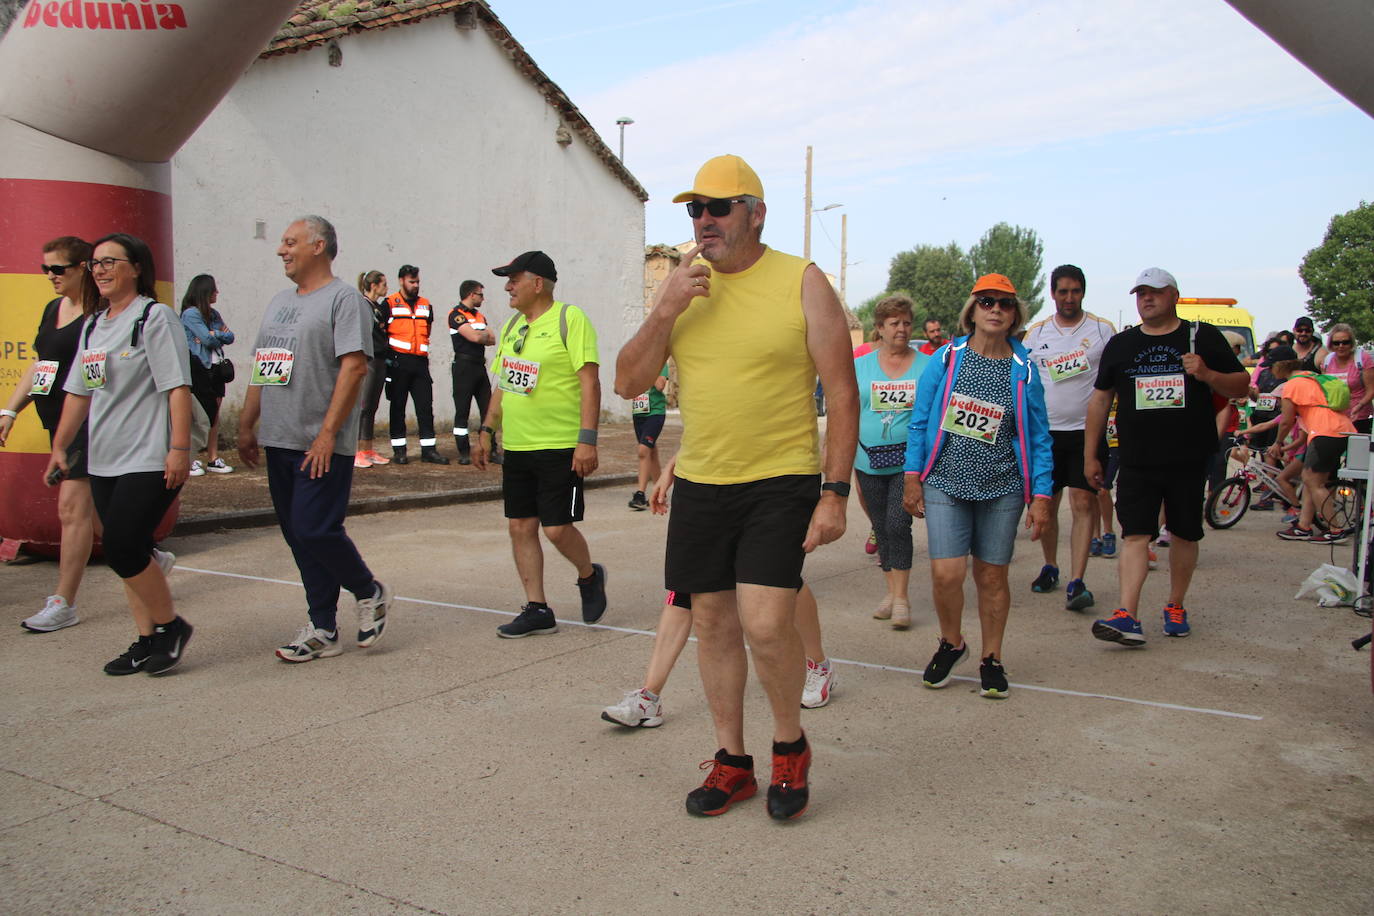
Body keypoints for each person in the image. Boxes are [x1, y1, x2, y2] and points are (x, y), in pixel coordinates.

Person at [615, 154, 858, 821]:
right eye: (695, 208)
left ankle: (789, 747)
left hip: (780, 480)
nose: (704, 220)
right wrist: (664, 309)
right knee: (714, 622)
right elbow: (629, 382)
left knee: (766, 623)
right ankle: (732, 763)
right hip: (702, 481)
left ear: (755, 212)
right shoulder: (684, 292)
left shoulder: (801, 282)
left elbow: (841, 391)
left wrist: (834, 490)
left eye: (719, 207)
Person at [237, 216, 395, 663]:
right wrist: (248, 425)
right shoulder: (278, 302)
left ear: (318, 246)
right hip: (280, 438)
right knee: (297, 535)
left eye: (290, 242)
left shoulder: (344, 299)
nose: (281, 250)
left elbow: (355, 368)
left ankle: (370, 590)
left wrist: (327, 434)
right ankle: (323, 627)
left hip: (319, 442)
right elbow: (263, 366)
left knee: (315, 528)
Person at [45, 233, 194, 675]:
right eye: (95, 263)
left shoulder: (154, 317)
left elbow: (177, 387)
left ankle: (171, 628)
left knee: (123, 546)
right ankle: (148, 641)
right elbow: (78, 392)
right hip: (103, 458)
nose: (101, 270)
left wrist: (180, 449)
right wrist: (59, 449)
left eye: (111, 261)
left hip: (149, 456)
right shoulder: (94, 325)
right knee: (132, 554)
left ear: (136, 268)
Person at [902, 274, 1052, 699]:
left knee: (991, 577)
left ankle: (992, 658)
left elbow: (1039, 438)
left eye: (1005, 304)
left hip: (1002, 486)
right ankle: (952, 643)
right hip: (945, 481)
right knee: (946, 574)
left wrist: (1040, 496)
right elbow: (919, 419)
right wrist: (912, 476)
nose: (995, 310)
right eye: (987, 301)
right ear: (972, 310)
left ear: (1014, 314)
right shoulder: (947, 359)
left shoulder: (1024, 370)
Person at [602, 457, 838, 725]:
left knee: (782, 583)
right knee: (685, 590)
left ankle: (818, 665)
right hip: (709, 483)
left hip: (771, 479)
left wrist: (834, 493)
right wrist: (674, 464)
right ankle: (648, 698)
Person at [1084, 268, 1248, 645]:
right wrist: (1091, 454)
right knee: (1135, 534)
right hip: (1137, 458)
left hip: (1188, 457)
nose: (1146, 299)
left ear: (1173, 295)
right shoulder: (1122, 345)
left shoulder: (1200, 336)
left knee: (1184, 534)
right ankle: (1127, 614)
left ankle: (1175, 605)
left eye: (1154, 292)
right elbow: (1099, 399)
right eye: (1140, 293)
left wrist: (1206, 373)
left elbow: (1241, 384)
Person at [473, 250, 608, 636]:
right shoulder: (514, 325)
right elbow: (502, 384)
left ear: (537, 283)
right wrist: (486, 431)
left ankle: (588, 575)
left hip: (560, 446)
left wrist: (587, 440)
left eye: (514, 279)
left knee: (556, 528)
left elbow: (589, 382)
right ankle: (537, 608)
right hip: (517, 447)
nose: (507, 286)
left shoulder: (570, 319)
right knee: (520, 527)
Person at [1, 237, 104, 632]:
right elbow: (40, 364)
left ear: (82, 267)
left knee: (70, 510)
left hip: (89, 424)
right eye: (45, 268)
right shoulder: (52, 309)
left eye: (57, 269)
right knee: (95, 515)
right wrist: (11, 409)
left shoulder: (100, 315)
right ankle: (143, 556)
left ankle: (63, 603)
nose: (50, 276)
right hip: (55, 422)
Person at [1021, 264, 1115, 611]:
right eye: (1063, 291)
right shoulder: (1036, 333)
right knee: (1047, 503)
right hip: (1045, 435)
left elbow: (1114, 379)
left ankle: (1077, 581)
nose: (1069, 298)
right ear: (1053, 293)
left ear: (1083, 293)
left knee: (1083, 502)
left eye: (1075, 291)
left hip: (1086, 434)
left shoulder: (1103, 331)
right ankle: (1050, 566)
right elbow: (1023, 381)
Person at [854, 294, 929, 627]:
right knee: (881, 525)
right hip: (866, 458)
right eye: (894, 323)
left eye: (906, 323)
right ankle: (891, 591)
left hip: (908, 461)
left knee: (899, 523)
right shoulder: (860, 366)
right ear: (880, 328)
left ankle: (901, 599)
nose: (902, 329)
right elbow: (849, 409)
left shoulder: (927, 366)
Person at [1270, 355, 1357, 543]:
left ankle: (1335, 530)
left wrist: (1278, 442)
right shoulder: (1313, 377)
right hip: (1341, 429)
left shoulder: (1292, 385)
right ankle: (1304, 525)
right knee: (1311, 481)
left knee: (1313, 481)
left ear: (1279, 366)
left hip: (1325, 432)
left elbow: (1286, 421)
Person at [384, 264, 449, 465]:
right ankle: (399, 451)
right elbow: (380, 333)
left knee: (425, 407)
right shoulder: (389, 303)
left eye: (418, 281)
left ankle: (429, 450)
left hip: (420, 363)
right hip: (397, 362)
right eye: (412, 282)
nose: (416, 285)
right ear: (401, 281)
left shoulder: (425, 305)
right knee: (398, 407)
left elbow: (426, 330)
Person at [180, 274, 235, 476]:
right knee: (193, 414)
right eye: (214, 289)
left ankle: (212, 458)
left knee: (214, 413)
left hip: (217, 368)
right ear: (204, 291)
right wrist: (214, 335)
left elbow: (230, 336)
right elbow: (207, 339)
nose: (217, 293)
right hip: (199, 367)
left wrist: (214, 334)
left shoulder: (213, 314)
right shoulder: (190, 314)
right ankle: (191, 457)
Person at [448, 280, 496, 465]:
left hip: (479, 367)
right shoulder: (456, 314)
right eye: (480, 294)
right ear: (470, 294)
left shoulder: (479, 316)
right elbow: (475, 336)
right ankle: (464, 452)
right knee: (463, 411)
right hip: (463, 367)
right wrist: (480, 336)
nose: (483, 298)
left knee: (488, 409)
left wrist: (480, 337)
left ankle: (491, 449)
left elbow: (492, 339)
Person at [354, 270, 391, 468]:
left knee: (373, 406)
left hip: (380, 360)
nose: (387, 287)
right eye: (384, 284)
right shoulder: (362, 305)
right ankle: (357, 451)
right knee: (364, 405)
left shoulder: (377, 307)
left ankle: (367, 449)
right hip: (368, 359)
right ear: (374, 285)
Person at [627, 363, 670, 510]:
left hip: (655, 413)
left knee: (643, 451)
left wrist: (647, 369)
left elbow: (659, 385)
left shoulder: (660, 363)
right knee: (651, 453)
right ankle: (659, 493)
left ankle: (640, 495)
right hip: (639, 413)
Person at [1321, 323, 1373, 434]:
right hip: (1335, 417)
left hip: (1359, 417)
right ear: (1331, 344)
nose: (1341, 346)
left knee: (1357, 450)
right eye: (1336, 343)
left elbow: (1371, 390)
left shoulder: (1362, 359)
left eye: (1345, 342)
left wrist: (1359, 406)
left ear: (1351, 343)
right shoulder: (1327, 361)